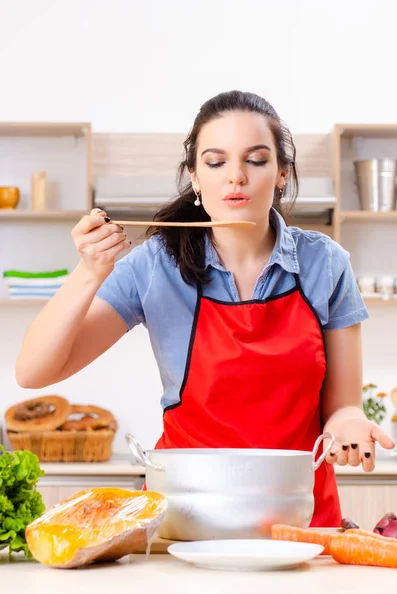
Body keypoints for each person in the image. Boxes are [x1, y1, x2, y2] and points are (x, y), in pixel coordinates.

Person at [16, 90, 395, 527]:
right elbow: (33, 371)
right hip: (184, 524)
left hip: (301, 524)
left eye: (255, 160)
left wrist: (348, 425)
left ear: (282, 174)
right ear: (195, 177)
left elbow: (343, 407)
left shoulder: (325, 264)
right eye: (216, 162)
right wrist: (88, 272)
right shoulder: (154, 265)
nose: (236, 176)